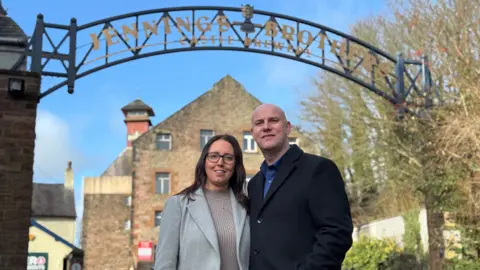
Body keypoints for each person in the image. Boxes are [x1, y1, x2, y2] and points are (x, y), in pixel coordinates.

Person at [247, 104, 353, 270]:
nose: (266, 127)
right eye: (259, 123)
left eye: (273, 120)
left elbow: (336, 233)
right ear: (253, 133)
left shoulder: (318, 169)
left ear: (288, 128)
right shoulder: (253, 184)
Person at [154, 134, 250, 270]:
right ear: (204, 161)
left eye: (228, 158)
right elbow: (164, 264)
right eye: (214, 156)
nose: (220, 162)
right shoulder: (178, 205)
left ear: (236, 165)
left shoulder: (246, 206)